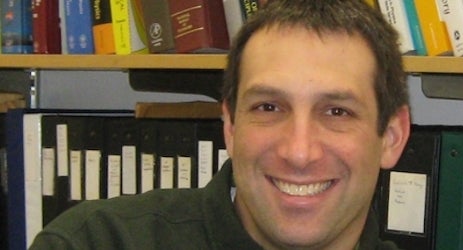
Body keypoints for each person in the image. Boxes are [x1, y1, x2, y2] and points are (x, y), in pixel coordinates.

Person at [29, 0, 411, 249]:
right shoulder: (94, 243)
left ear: (391, 137)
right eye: (268, 107)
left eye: (337, 112)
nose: (298, 151)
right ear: (229, 126)